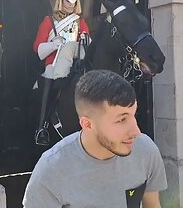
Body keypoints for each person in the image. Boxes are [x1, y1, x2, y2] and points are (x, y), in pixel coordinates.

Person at [23, 70, 167, 208]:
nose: (136, 131)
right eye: (122, 119)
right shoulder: (52, 169)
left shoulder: (145, 150)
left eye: (133, 115)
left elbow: (152, 205)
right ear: (88, 124)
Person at [33, 0, 90, 145]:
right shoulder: (49, 21)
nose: (69, 6)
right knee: (50, 76)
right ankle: (42, 127)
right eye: (67, 2)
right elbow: (37, 48)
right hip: (54, 64)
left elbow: (88, 43)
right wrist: (53, 45)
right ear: (61, 0)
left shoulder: (80, 22)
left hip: (76, 62)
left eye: (73, 3)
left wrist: (86, 39)